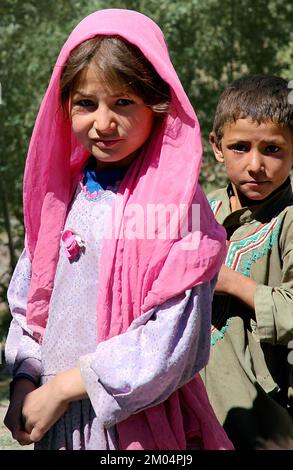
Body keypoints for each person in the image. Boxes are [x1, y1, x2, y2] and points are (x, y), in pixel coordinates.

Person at [4, 9, 232, 450]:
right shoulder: (59, 200)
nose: (103, 123)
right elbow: (30, 304)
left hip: (136, 426)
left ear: (158, 105)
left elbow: (173, 341)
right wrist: (26, 381)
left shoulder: (178, 209)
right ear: (65, 105)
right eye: (86, 103)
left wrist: (68, 386)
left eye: (123, 103)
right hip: (58, 426)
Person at [200, 74, 293, 449]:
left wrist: (231, 282)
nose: (255, 164)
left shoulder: (288, 218)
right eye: (240, 147)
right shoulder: (198, 211)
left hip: (262, 420)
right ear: (218, 147)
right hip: (190, 409)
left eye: (273, 149)